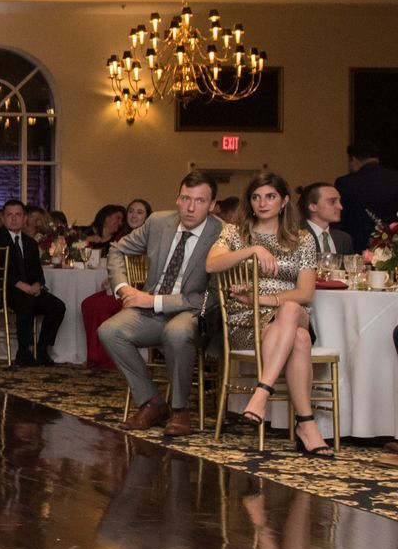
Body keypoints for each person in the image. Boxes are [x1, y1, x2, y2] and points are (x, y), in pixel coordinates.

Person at [206, 172, 327, 457]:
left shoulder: (302, 239)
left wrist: (262, 299)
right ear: (250, 202)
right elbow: (212, 264)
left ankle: (261, 392)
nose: (262, 203)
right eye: (256, 197)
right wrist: (253, 250)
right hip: (245, 320)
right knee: (300, 340)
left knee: (291, 308)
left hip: (287, 310)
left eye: (270, 196)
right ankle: (307, 425)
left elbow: (305, 293)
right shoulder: (235, 233)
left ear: (284, 201)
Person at [99, 172, 219, 436]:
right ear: (177, 198)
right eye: (185, 198)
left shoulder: (221, 233)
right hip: (149, 310)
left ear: (211, 206)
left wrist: (154, 300)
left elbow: (211, 296)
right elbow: (117, 249)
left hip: (192, 312)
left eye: (199, 201)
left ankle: (179, 410)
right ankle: (152, 402)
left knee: (176, 332)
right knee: (110, 331)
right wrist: (123, 288)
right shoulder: (158, 221)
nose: (190, 207)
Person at [0, 199, 65, 366]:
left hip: (26, 291)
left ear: (24, 218)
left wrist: (37, 285)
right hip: (0, 290)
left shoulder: (30, 243)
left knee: (57, 306)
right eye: (9, 215)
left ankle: (42, 350)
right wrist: (23, 286)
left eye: (18, 215)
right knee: (28, 301)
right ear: (3, 218)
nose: (13, 219)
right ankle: (23, 351)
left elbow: (37, 272)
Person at [337, 140, 398, 252]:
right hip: (393, 244)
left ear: (353, 159)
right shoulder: (395, 179)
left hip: (357, 245)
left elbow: (340, 217)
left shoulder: (346, 182)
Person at [299, 182, 349, 257]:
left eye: (339, 201)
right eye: (332, 202)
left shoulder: (343, 239)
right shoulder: (295, 237)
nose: (340, 207)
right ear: (313, 207)